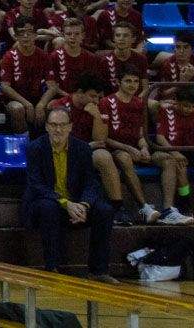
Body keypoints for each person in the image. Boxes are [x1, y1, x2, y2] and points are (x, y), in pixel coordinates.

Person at [22, 106, 118, 282]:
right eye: (53, 125)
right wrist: (66, 204)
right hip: (45, 203)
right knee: (48, 207)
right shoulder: (34, 148)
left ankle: (98, 271)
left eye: (62, 125)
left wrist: (84, 205)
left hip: (76, 204)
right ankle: (52, 267)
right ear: (46, 127)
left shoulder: (82, 148)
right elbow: (37, 186)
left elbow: (91, 182)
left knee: (104, 210)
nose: (58, 130)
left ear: (70, 127)